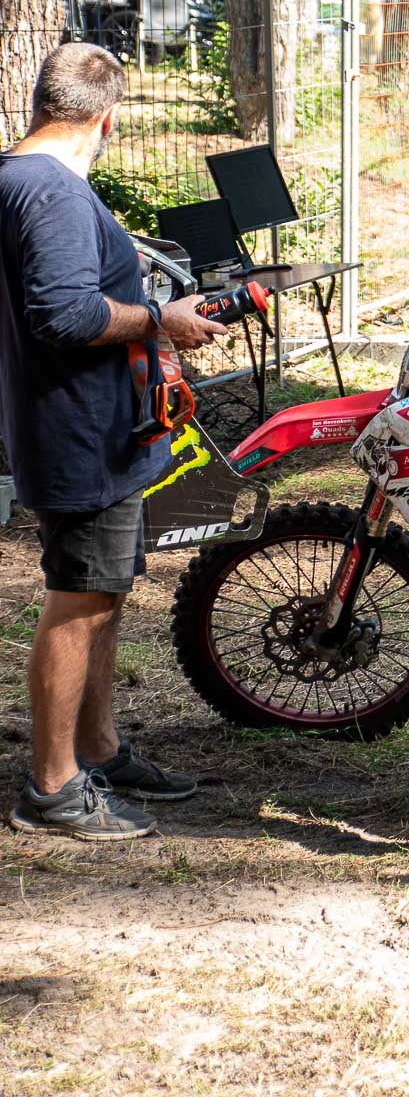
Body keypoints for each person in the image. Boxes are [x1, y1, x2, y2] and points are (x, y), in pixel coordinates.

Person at [1, 44, 227, 840]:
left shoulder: (21, 176)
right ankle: (53, 787)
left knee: (104, 593)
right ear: (108, 118)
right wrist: (161, 320)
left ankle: (95, 749)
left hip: (95, 427)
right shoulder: (50, 191)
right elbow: (63, 314)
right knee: (80, 600)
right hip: (79, 432)